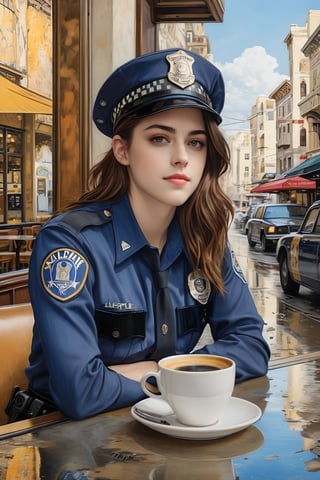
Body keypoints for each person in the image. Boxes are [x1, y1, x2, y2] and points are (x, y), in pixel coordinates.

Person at [22, 48, 270, 420]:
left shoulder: (203, 237)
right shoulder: (69, 243)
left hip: (167, 429)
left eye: (196, 142)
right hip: (63, 442)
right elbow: (80, 392)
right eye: (159, 138)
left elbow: (251, 348)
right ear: (122, 150)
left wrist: (161, 373)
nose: (182, 157)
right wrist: (191, 374)